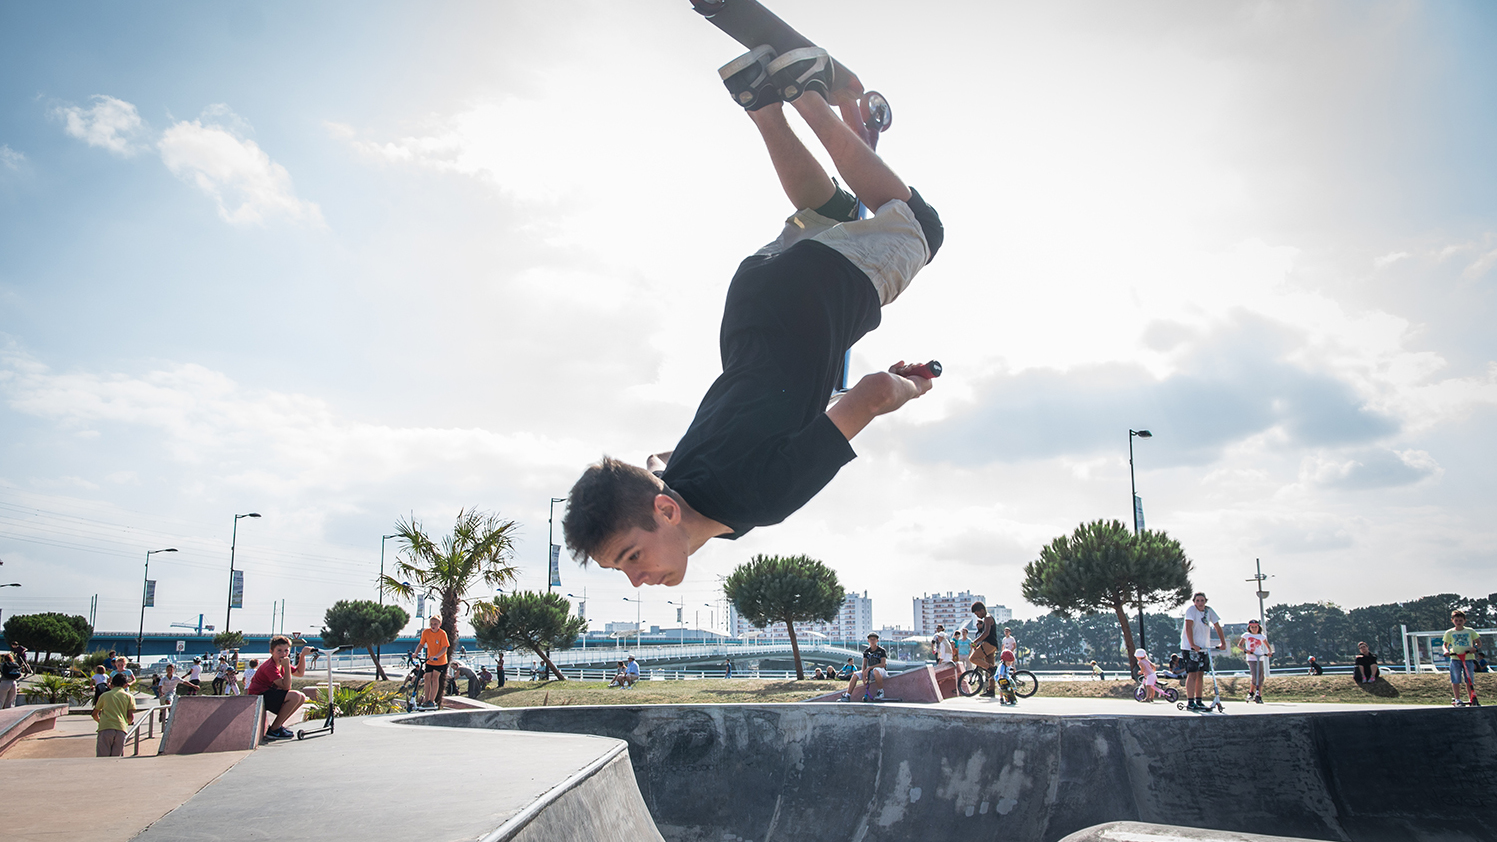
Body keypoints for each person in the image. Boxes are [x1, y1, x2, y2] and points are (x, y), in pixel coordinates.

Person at [561, 47, 945, 591]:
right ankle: (762, 102)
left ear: (664, 513)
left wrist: (911, 387)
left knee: (919, 228)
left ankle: (809, 94)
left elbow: (874, 393)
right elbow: (659, 457)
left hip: (814, 301)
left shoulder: (760, 500)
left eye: (630, 557)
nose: (637, 580)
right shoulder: (681, 482)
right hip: (751, 302)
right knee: (829, 212)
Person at [247, 635, 313, 742]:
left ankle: (278, 726)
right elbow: (286, 687)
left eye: (286, 651)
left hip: (270, 694)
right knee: (295, 696)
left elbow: (299, 673)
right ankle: (273, 730)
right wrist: (286, 667)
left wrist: (302, 656)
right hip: (258, 697)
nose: (283, 654)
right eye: (279, 651)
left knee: (301, 697)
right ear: (271, 651)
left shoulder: (281, 663)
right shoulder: (270, 666)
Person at [1179, 592, 1226, 712]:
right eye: (1198, 600)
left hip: (1204, 647)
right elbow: (1188, 627)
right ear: (1194, 601)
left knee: (1201, 673)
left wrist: (1222, 642)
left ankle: (1199, 700)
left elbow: (1217, 626)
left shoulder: (1208, 611)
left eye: (1202, 600)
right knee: (1192, 673)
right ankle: (1190, 701)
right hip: (1190, 647)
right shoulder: (1191, 610)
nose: (1200, 603)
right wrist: (1192, 644)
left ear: (1205, 601)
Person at [1442, 610, 1482, 707]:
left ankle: (1471, 698)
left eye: (1460, 620)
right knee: (1455, 679)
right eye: (1456, 620)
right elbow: (1445, 645)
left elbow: (1479, 643)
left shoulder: (1470, 631)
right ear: (1452, 620)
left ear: (1464, 620)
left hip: (1468, 657)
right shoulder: (1449, 633)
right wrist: (1446, 651)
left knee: (1469, 679)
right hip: (1455, 658)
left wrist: (1475, 648)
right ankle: (1458, 699)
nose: (1458, 622)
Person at [91, 673, 136, 757]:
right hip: (120, 728)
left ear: (111, 685)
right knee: (116, 758)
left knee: (102, 758)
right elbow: (130, 716)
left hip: (105, 727)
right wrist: (128, 722)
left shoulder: (104, 696)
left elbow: (94, 713)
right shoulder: (129, 697)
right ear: (126, 685)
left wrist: (100, 721)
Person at [413, 616, 450, 710]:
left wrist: (436, 656)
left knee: (435, 678)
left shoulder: (442, 634)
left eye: (435, 624)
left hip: (440, 661)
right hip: (430, 660)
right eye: (432, 624)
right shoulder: (426, 632)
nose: (433, 626)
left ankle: (431, 700)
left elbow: (444, 648)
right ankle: (426, 700)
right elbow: (421, 644)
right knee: (427, 678)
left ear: (439, 625)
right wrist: (416, 653)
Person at [842, 633, 889, 701]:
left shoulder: (881, 651)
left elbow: (883, 664)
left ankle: (880, 692)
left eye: (874, 639)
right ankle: (848, 695)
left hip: (881, 671)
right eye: (871, 639)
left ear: (877, 641)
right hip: (871, 672)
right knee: (855, 675)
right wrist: (864, 675)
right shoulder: (866, 652)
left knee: (876, 670)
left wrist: (869, 668)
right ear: (868, 641)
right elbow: (864, 664)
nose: (872, 641)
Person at [1238, 618, 1273, 703]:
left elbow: (1268, 646)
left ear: (1258, 627)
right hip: (1251, 658)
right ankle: (1251, 692)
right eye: (1252, 627)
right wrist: (1246, 651)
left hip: (1259, 657)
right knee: (1254, 676)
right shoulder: (1246, 635)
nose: (1254, 629)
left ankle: (1259, 695)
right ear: (1249, 628)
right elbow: (1239, 645)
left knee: (1261, 677)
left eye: (1255, 627)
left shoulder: (1261, 636)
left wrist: (1269, 652)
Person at [970, 603, 1000, 698]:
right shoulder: (988, 618)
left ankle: (992, 668)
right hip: (993, 645)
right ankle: (991, 690)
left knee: (973, 658)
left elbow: (986, 633)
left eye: (977, 613)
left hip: (989, 644)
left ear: (982, 610)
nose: (977, 616)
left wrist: (975, 641)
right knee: (990, 670)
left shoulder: (987, 618)